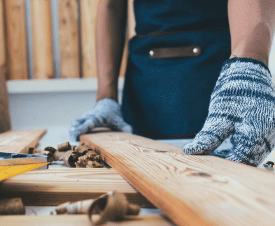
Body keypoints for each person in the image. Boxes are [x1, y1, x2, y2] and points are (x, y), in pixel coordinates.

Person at [70, 0, 275, 167]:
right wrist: (106, 98)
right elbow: (111, 5)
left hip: (223, 97)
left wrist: (249, 66)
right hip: (145, 103)